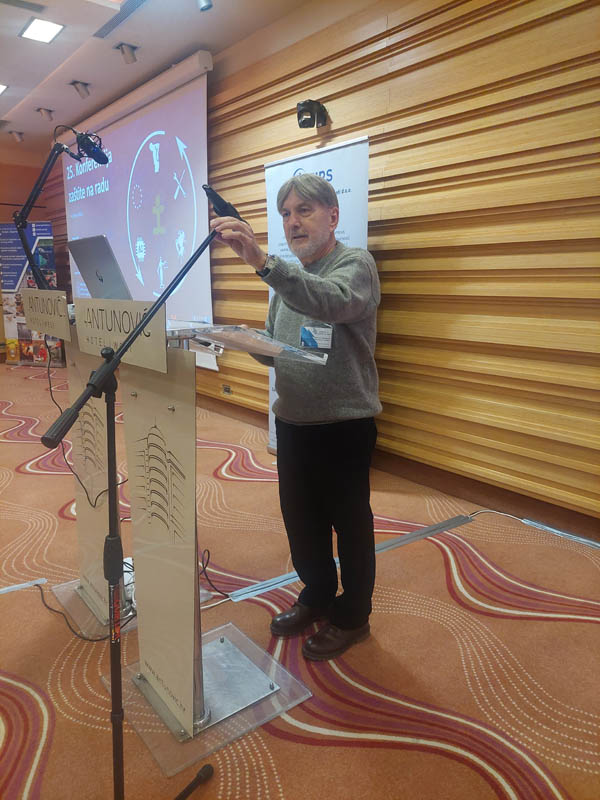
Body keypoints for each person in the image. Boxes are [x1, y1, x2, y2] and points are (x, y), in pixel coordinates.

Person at [209, 173, 381, 660]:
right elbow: (279, 348)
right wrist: (247, 342)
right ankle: (318, 594)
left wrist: (264, 262)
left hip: (343, 424)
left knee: (350, 524)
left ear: (333, 216)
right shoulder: (287, 279)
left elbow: (330, 301)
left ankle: (353, 617)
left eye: (304, 210)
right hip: (293, 421)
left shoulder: (354, 265)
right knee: (302, 521)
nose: (293, 222)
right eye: (286, 213)